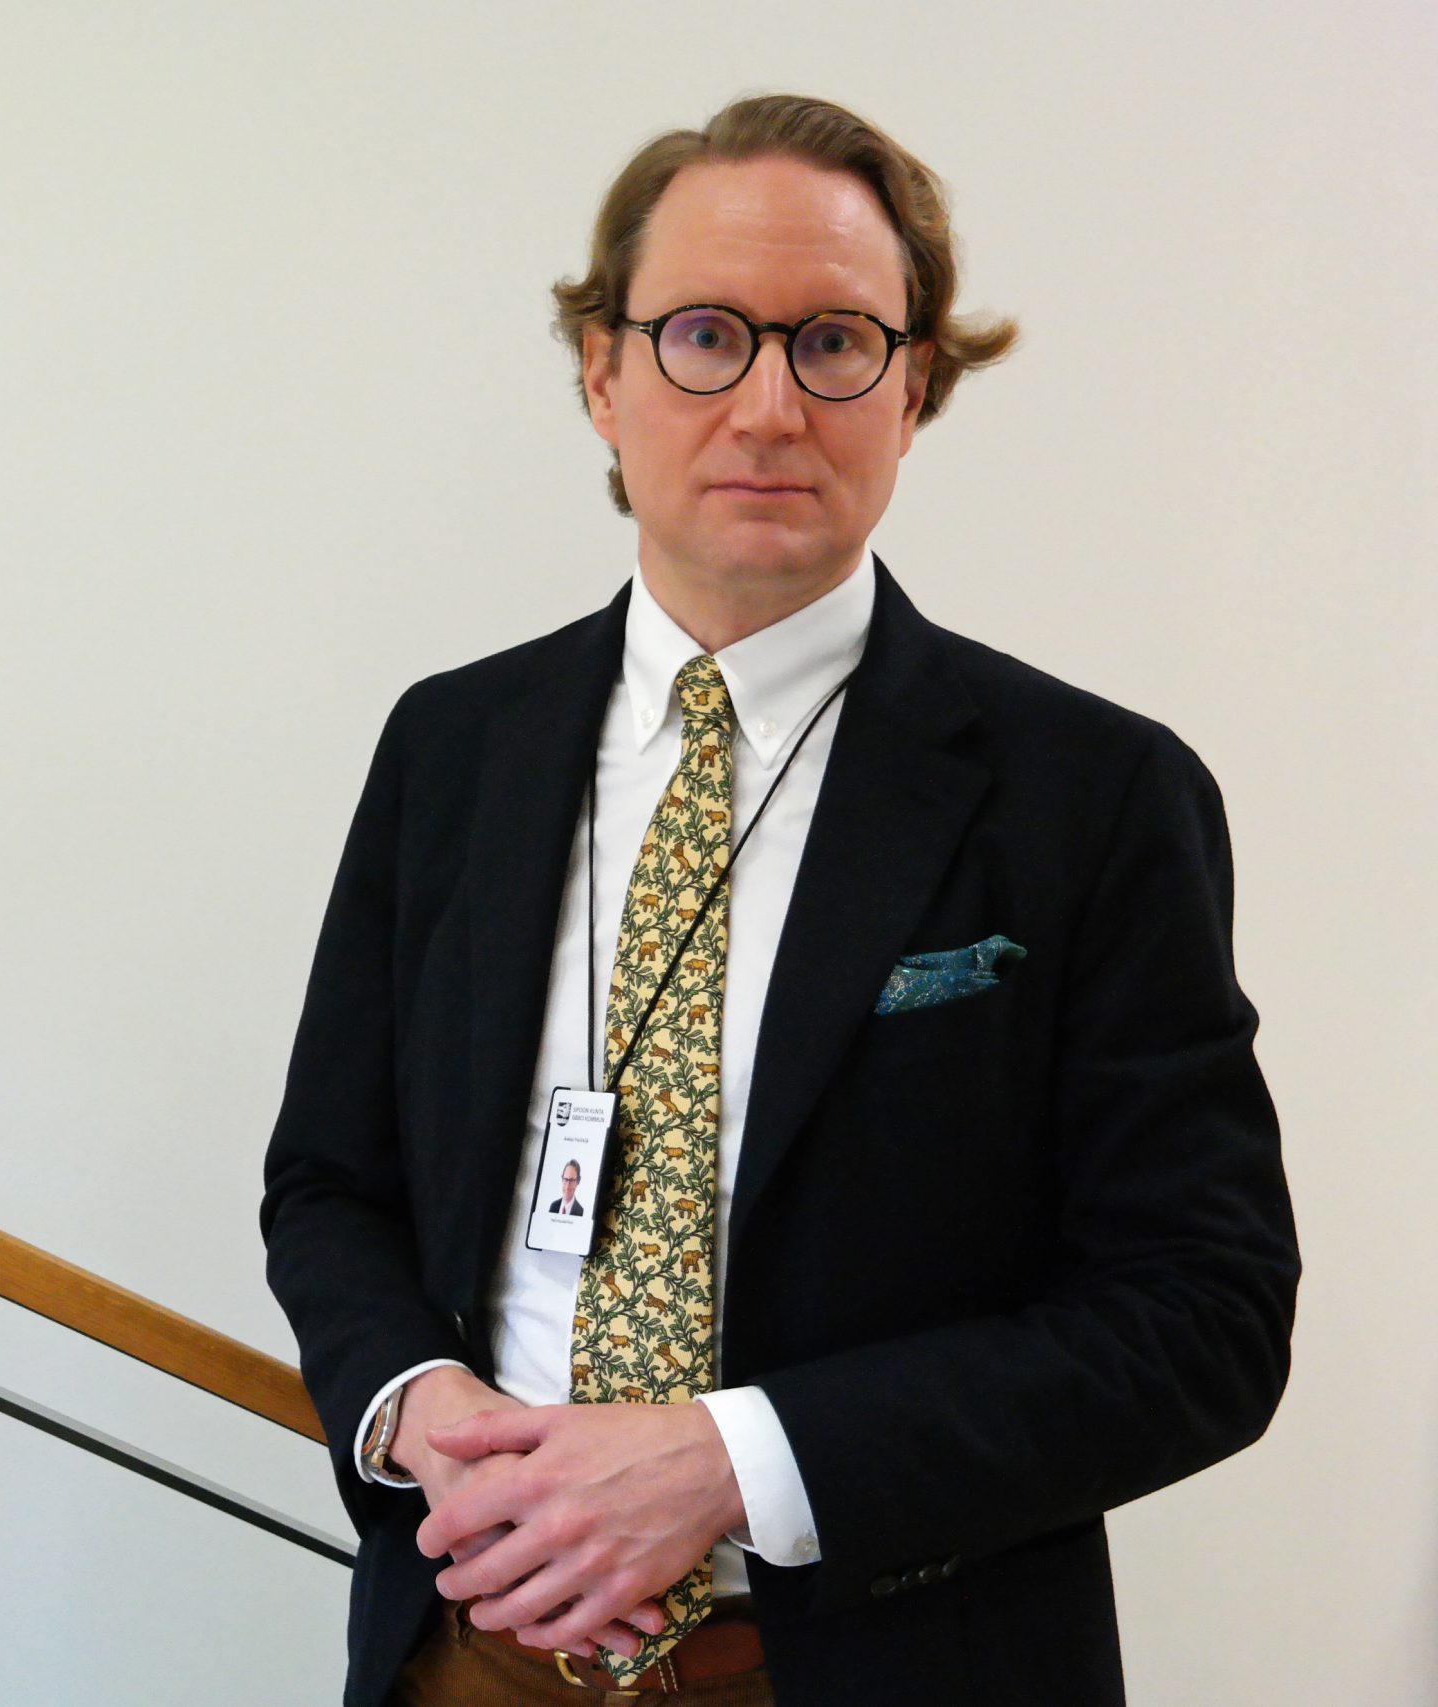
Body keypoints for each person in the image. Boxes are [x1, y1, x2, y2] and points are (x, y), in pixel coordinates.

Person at [257, 91, 1297, 1707]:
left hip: (890, 1664)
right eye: (703, 336)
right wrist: (412, 1402)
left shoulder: (1094, 796)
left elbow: (1203, 1318)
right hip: (466, 1652)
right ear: (602, 376)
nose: (766, 406)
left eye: (832, 343)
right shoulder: (453, 747)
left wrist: (735, 1460)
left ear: (916, 386)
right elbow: (330, 1182)